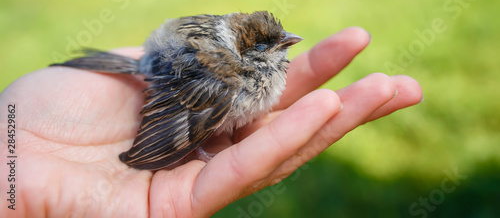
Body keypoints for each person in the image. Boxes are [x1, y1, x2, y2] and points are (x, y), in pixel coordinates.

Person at [0, 27, 422, 217]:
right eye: (274, 47)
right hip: (173, 68)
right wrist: (188, 147)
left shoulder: (240, 56)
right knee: (206, 108)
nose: (287, 49)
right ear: (249, 51)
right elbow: (177, 116)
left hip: (172, 54)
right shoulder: (226, 76)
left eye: (283, 42)